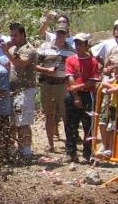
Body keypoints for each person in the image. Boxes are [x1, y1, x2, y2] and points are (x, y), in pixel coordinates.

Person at [36, 23, 75, 152]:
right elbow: (34, 65)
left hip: (63, 85)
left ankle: (69, 143)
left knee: (66, 115)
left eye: (63, 33)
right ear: (55, 32)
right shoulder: (44, 47)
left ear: (67, 34)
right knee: (49, 115)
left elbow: (75, 69)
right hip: (47, 84)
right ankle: (50, 143)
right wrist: (47, 70)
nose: (60, 35)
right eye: (58, 32)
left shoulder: (71, 50)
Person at [4, 23, 38, 158]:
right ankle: (12, 149)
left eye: (15, 35)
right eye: (11, 35)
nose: (13, 38)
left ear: (23, 35)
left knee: (23, 122)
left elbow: (21, 63)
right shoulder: (13, 49)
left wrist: (6, 52)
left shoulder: (28, 49)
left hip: (25, 89)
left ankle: (26, 150)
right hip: (12, 90)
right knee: (11, 122)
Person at [65, 33, 99, 163]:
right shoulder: (70, 59)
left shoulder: (93, 61)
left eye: (80, 43)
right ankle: (71, 152)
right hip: (73, 95)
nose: (78, 46)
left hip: (87, 95)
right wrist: (76, 96)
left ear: (86, 45)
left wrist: (77, 88)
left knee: (88, 125)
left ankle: (87, 153)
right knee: (70, 125)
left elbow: (92, 81)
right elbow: (70, 77)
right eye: (76, 43)